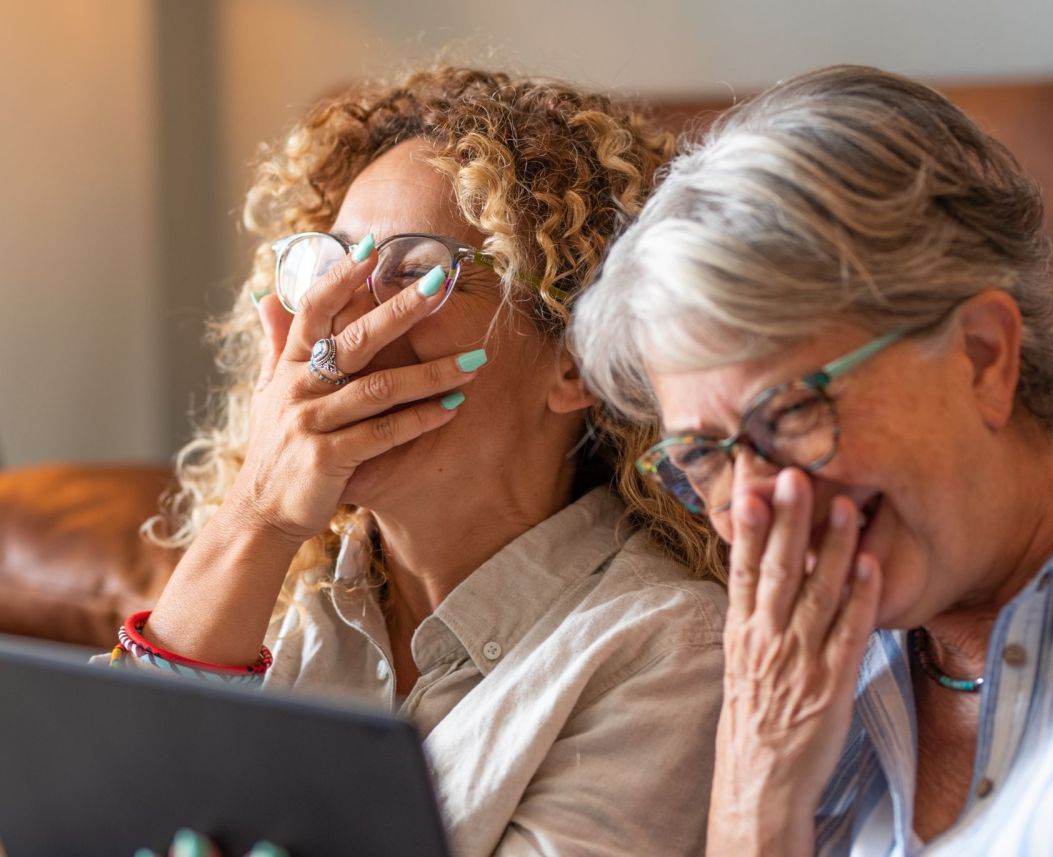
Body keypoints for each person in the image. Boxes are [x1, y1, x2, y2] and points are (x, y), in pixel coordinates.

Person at [571, 64, 1053, 856]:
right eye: (705, 455)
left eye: (793, 412)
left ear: (982, 356)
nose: (761, 502)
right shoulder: (788, 683)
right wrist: (753, 797)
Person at [112, 66, 727, 857]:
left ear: (578, 357)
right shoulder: (276, 594)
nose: (339, 327)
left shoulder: (665, 648)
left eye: (412, 273)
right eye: (326, 268)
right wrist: (254, 513)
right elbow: (92, 812)